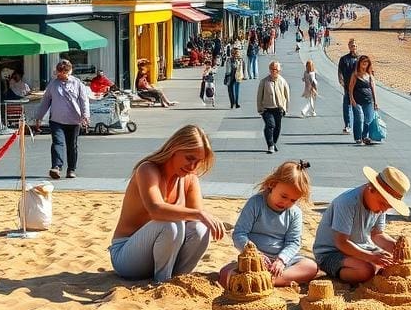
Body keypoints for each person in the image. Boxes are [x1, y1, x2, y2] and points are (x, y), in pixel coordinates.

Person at [109, 125, 225, 283]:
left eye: (198, 162)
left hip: (164, 256)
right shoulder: (147, 169)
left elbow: (195, 222)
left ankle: (177, 280)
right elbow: (155, 210)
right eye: (189, 158)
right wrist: (199, 213)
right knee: (171, 223)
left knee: (200, 228)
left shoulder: (190, 178)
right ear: (174, 149)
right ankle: (162, 282)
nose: (193, 167)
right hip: (127, 256)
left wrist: (202, 217)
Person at [218, 159, 318, 288]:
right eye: (284, 196)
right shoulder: (255, 203)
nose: (286, 202)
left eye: (293, 200)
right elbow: (239, 233)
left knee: (311, 267)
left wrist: (281, 260)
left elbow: (293, 242)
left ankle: (269, 281)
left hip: (280, 263)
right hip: (254, 260)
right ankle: (260, 280)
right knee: (225, 273)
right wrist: (254, 253)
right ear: (272, 184)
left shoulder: (295, 212)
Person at [312, 165, 409, 283]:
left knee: (394, 262)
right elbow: (341, 242)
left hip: (362, 249)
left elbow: (377, 235)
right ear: (371, 189)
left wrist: (397, 248)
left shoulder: (379, 206)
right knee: (367, 271)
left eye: (389, 207)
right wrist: (371, 257)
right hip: (332, 253)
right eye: (383, 204)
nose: (384, 210)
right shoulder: (347, 202)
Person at [35, 59, 91, 180]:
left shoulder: (77, 84)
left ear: (69, 72)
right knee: (57, 142)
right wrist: (39, 117)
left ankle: (71, 169)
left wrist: (85, 116)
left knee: (72, 145)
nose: (59, 75)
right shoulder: (53, 84)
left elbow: (84, 100)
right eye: (58, 73)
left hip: (73, 120)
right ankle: (56, 167)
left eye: (62, 73)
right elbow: (45, 101)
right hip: (56, 120)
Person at [257, 60, 290, 154]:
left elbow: (287, 96)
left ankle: (273, 142)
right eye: (271, 69)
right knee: (270, 125)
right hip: (267, 109)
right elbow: (259, 96)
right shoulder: (264, 81)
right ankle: (270, 145)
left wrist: (285, 109)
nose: (273, 71)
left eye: (275, 69)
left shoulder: (282, 81)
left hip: (279, 109)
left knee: (277, 128)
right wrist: (260, 109)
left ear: (279, 70)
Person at [348, 55, 378, 145]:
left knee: (368, 119)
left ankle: (364, 136)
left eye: (366, 62)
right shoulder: (355, 74)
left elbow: (373, 88)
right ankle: (358, 137)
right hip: (357, 100)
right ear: (359, 63)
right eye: (363, 62)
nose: (365, 63)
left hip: (368, 100)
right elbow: (350, 88)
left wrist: (375, 102)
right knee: (359, 118)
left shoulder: (369, 75)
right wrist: (352, 99)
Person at [337, 38, 360, 135]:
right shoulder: (344, 59)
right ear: (349, 47)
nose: (353, 47)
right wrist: (341, 82)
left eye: (354, 45)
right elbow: (340, 72)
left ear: (356, 47)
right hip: (347, 86)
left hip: (358, 88)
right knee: (346, 106)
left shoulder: (360, 59)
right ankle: (347, 125)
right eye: (351, 45)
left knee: (357, 107)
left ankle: (358, 126)